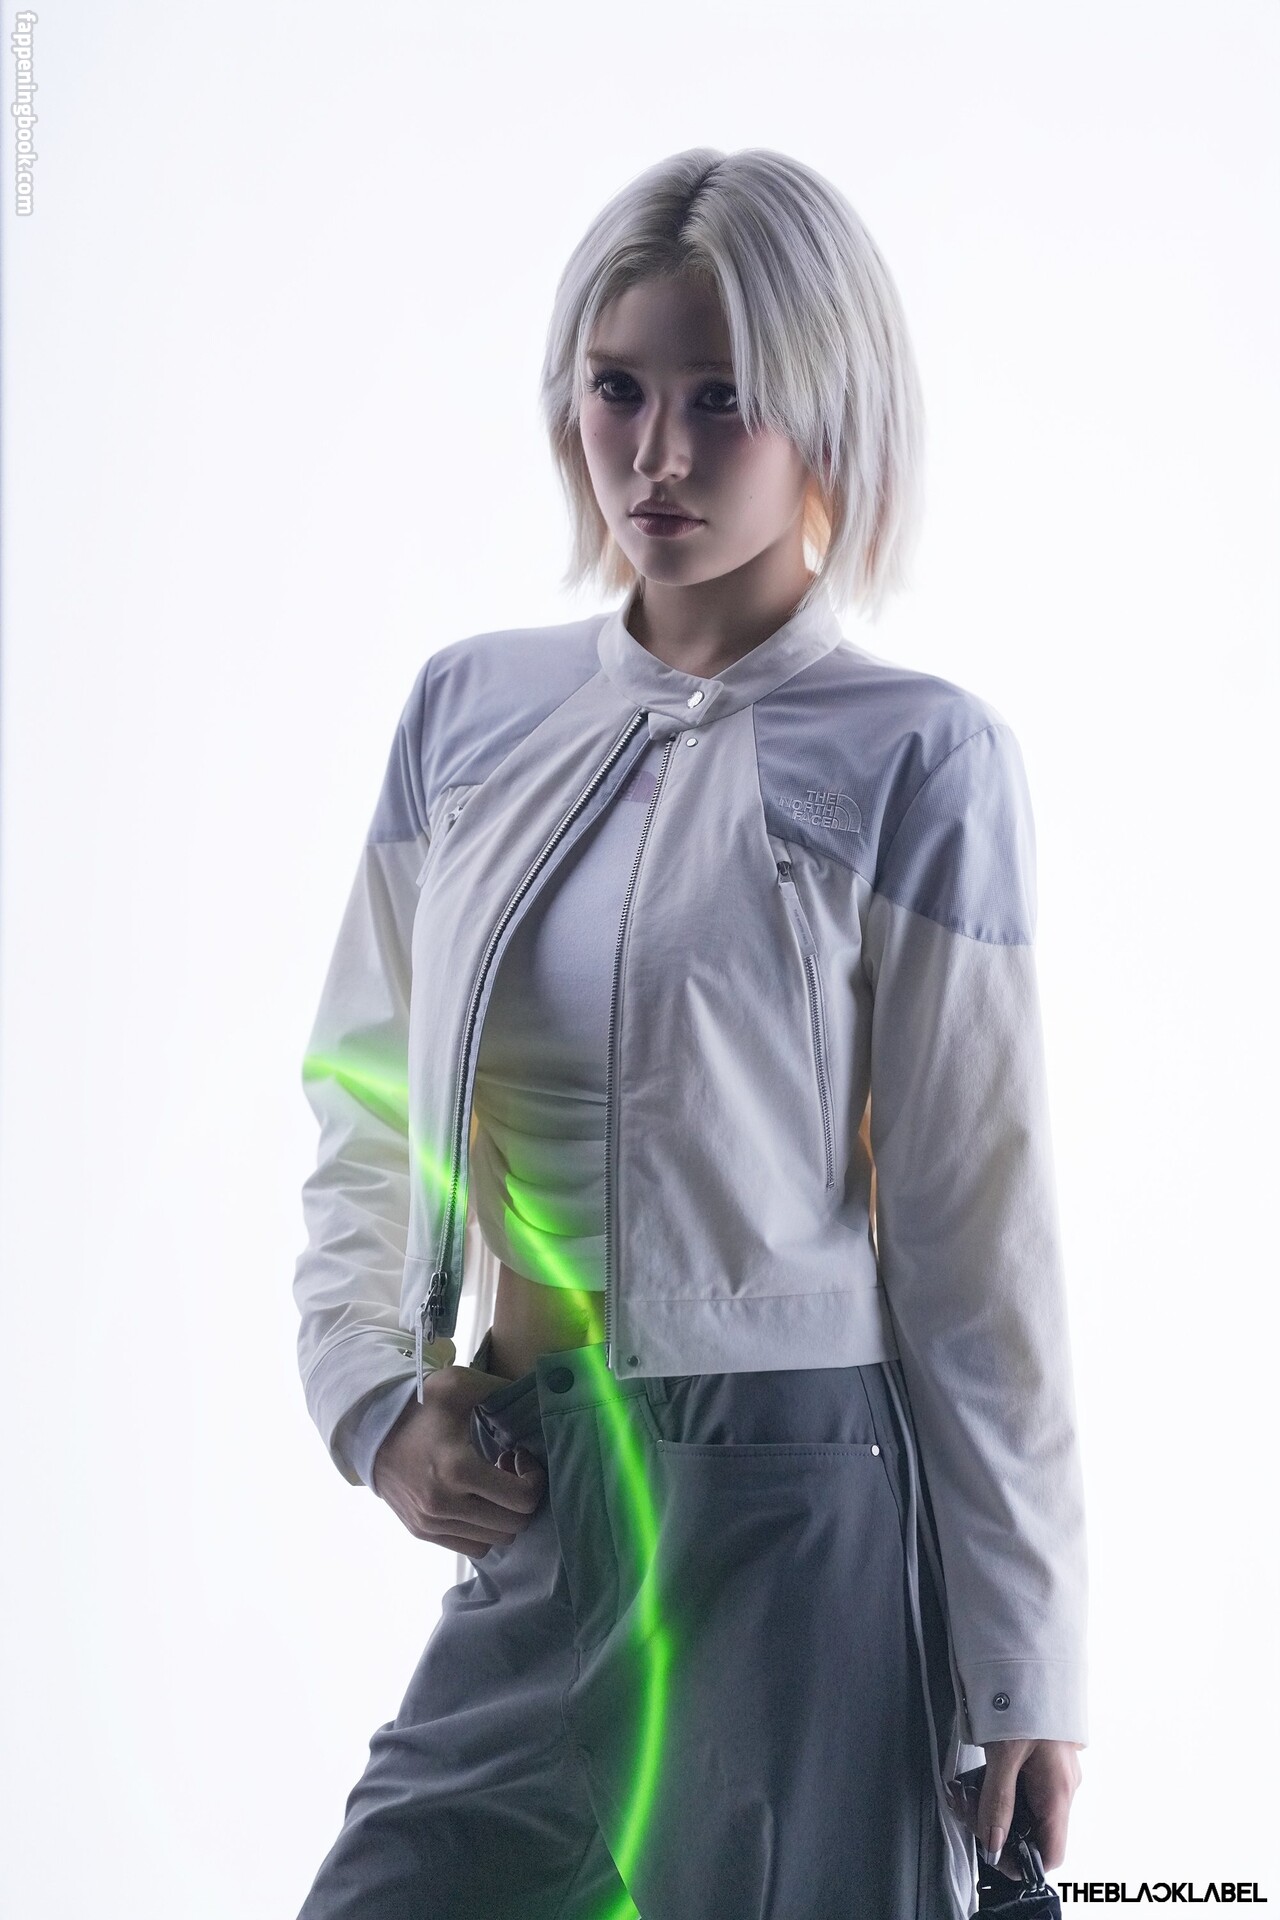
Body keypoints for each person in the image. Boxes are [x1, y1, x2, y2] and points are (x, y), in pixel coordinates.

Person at [290, 146, 1088, 1920]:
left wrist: (1026, 1659)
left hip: (801, 1506)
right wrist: (368, 1395)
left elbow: (979, 1239)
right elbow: (362, 1097)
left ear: (830, 419)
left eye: (723, 400)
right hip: (541, 1479)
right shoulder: (468, 711)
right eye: (619, 390)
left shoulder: (923, 756)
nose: (657, 452)